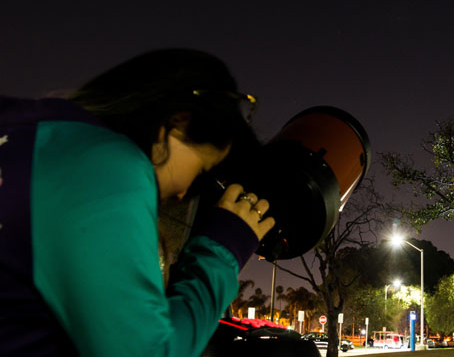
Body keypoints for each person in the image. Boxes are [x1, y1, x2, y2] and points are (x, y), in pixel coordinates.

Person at [0, 49, 275, 356]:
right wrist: (221, 251)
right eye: (201, 173)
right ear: (179, 122)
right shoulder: (106, 170)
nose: (185, 194)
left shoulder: (37, 131)